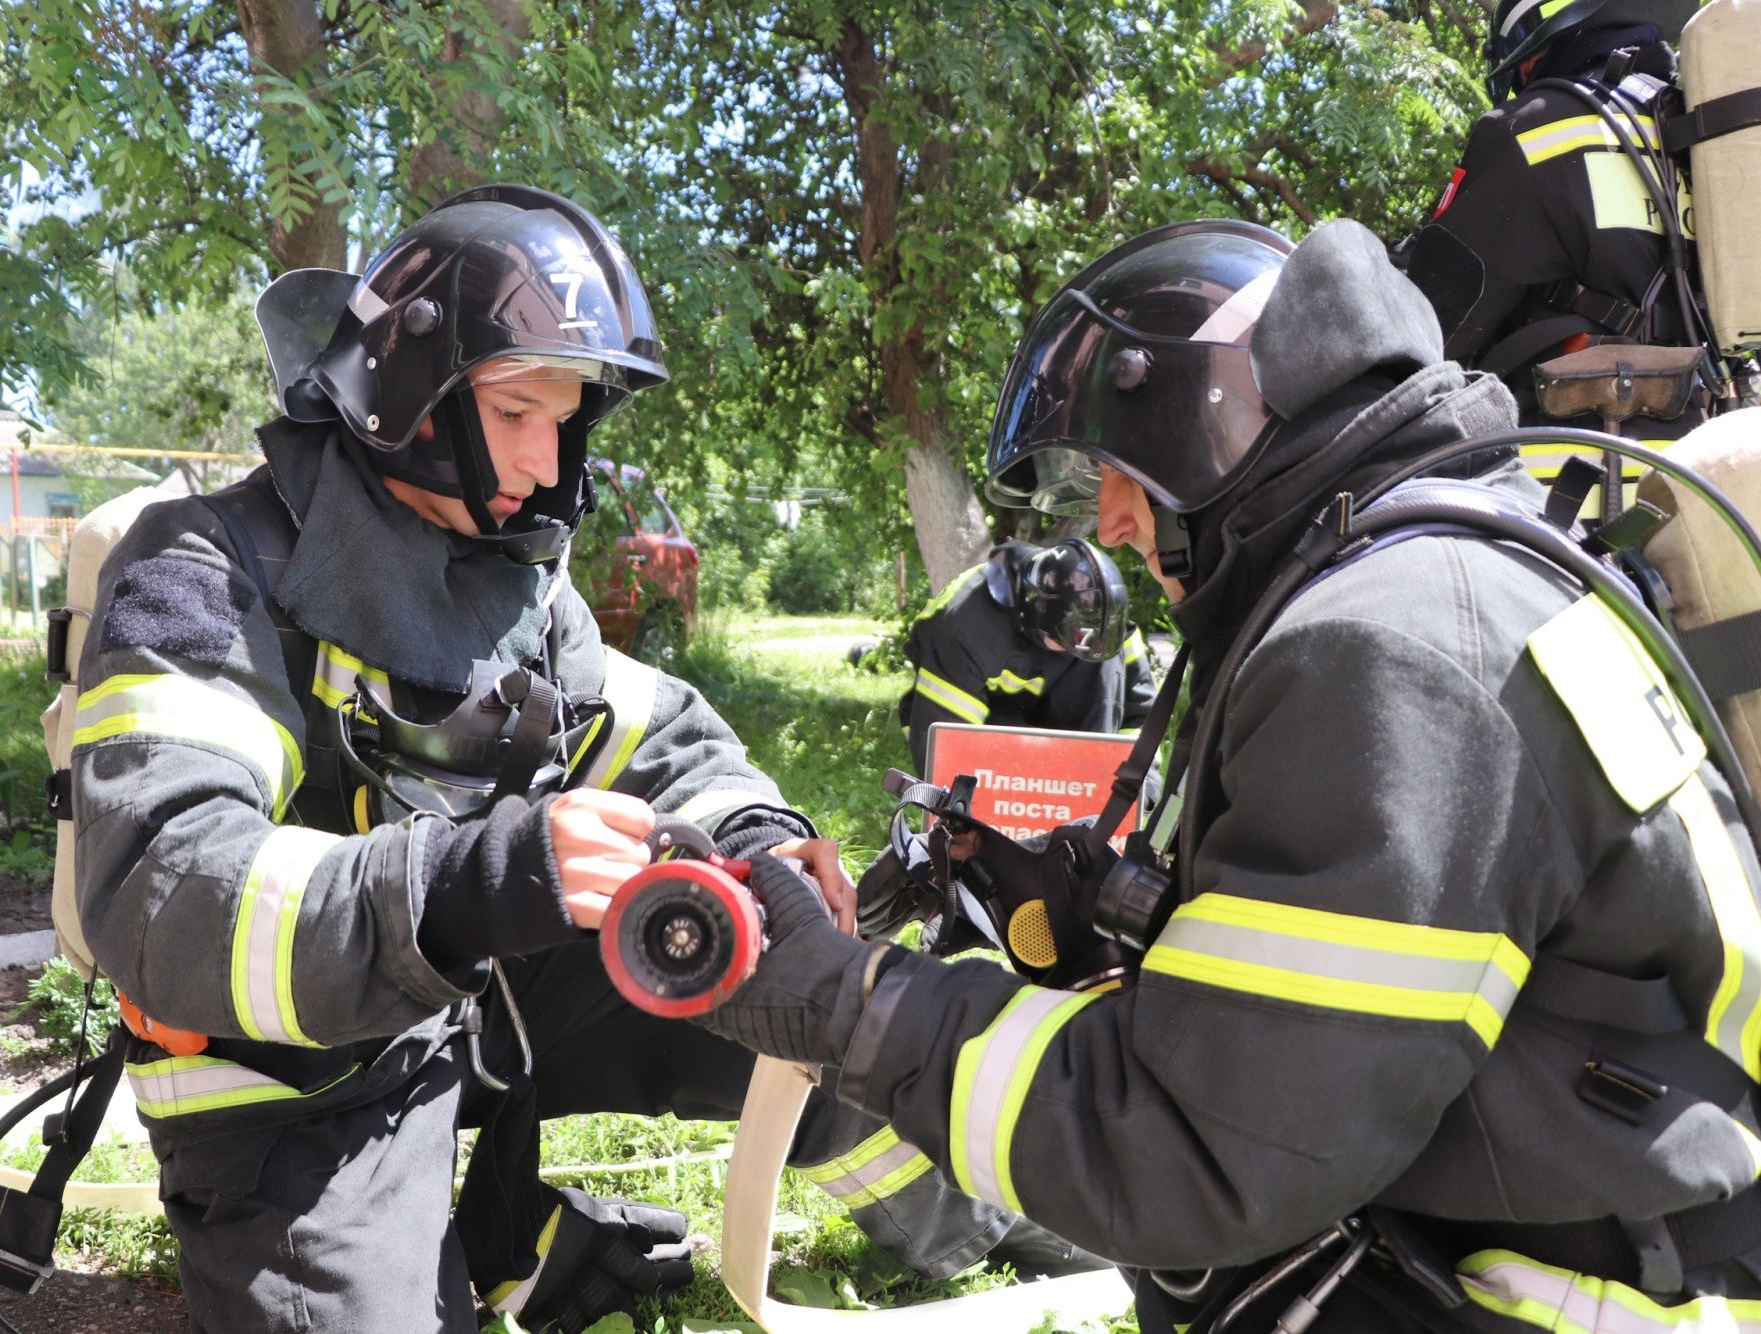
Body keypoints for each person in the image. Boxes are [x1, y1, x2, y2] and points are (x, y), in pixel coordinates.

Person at [699, 216, 1761, 1332]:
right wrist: (1097, 924)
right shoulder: (1458, 566)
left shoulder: (1382, 652)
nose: (1107, 522)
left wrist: (849, 1004)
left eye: (1119, 470)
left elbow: (1189, 1149)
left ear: (1212, 427)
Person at [68, 185, 1081, 1334]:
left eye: (563, 417)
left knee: (775, 963)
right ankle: (449, 1245)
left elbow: (662, 736)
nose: (546, 460)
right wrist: (474, 881)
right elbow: (163, 886)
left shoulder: (512, 574)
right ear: (404, 393)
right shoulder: (205, 571)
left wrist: (754, 841)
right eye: (513, 412)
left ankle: (991, 1213)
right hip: (286, 1065)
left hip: (482, 987)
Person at [1402, 0, 1706, 461]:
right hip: (1708, 470)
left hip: (1559, 483)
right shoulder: (1702, 139)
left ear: (1529, 55)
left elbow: (1432, 325)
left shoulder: (1525, 130)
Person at [901, 537, 1156, 774]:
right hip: (992, 732)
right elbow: (945, 756)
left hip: (1067, 730)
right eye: (1066, 639)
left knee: (1102, 668)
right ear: (1037, 613)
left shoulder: (1105, 626)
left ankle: (1089, 777)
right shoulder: (965, 628)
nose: (1075, 651)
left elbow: (1141, 718)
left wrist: (1136, 791)